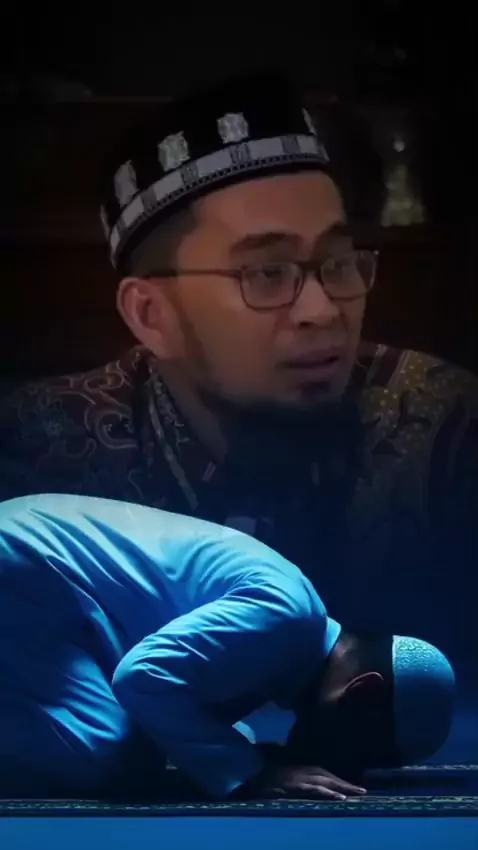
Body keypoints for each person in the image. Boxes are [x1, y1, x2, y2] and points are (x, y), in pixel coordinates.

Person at [0, 72, 476, 754]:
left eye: (339, 263)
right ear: (151, 314)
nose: (323, 311)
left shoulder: (446, 429)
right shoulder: (37, 442)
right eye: (267, 273)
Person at [0, 494, 454, 800]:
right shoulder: (284, 616)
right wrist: (254, 775)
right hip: (22, 564)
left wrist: (240, 754)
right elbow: (144, 678)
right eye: (362, 751)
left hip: (37, 572)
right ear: (362, 692)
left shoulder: (292, 629)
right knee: (106, 756)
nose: (348, 766)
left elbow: (182, 701)